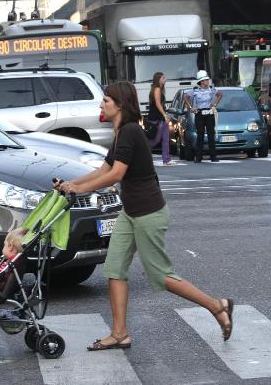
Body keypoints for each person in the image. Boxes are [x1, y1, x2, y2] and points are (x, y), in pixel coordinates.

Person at [55, 81, 233, 351]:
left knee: (161, 276)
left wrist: (78, 189)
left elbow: (116, 175)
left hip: (148, 213)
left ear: (120, 105)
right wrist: (73, 183)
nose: (101, 104)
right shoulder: (121, 132)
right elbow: (105, 168)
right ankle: (119, 334)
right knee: (114, 269)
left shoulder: (129, 132)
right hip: (131, 212)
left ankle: (217, 306)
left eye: (106, 100)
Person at [184, 70, 222, 163]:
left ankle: (213, 157)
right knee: (200, 136)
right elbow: (186, 97)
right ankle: (198, 157)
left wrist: (214, 104)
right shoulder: (195, 90)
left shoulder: (211, 89)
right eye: (205, 80)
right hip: (199, 114)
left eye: (207, 79)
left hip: (209, 114)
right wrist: (191, 107)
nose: (208, 81)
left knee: (211, 135)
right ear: (201, 81)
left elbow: (220, 95)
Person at [147, 72, 171, 165]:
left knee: (166, 138)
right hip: (156, 117)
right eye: (163, 78)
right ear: (158, 79)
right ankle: (141, 152)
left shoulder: (160, 89)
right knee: (156, 140)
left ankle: (166, 159)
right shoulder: (156, 89)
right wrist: (165, 115)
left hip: (161, 117)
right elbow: (157, 104)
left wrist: (165, 115)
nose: (165, 79)